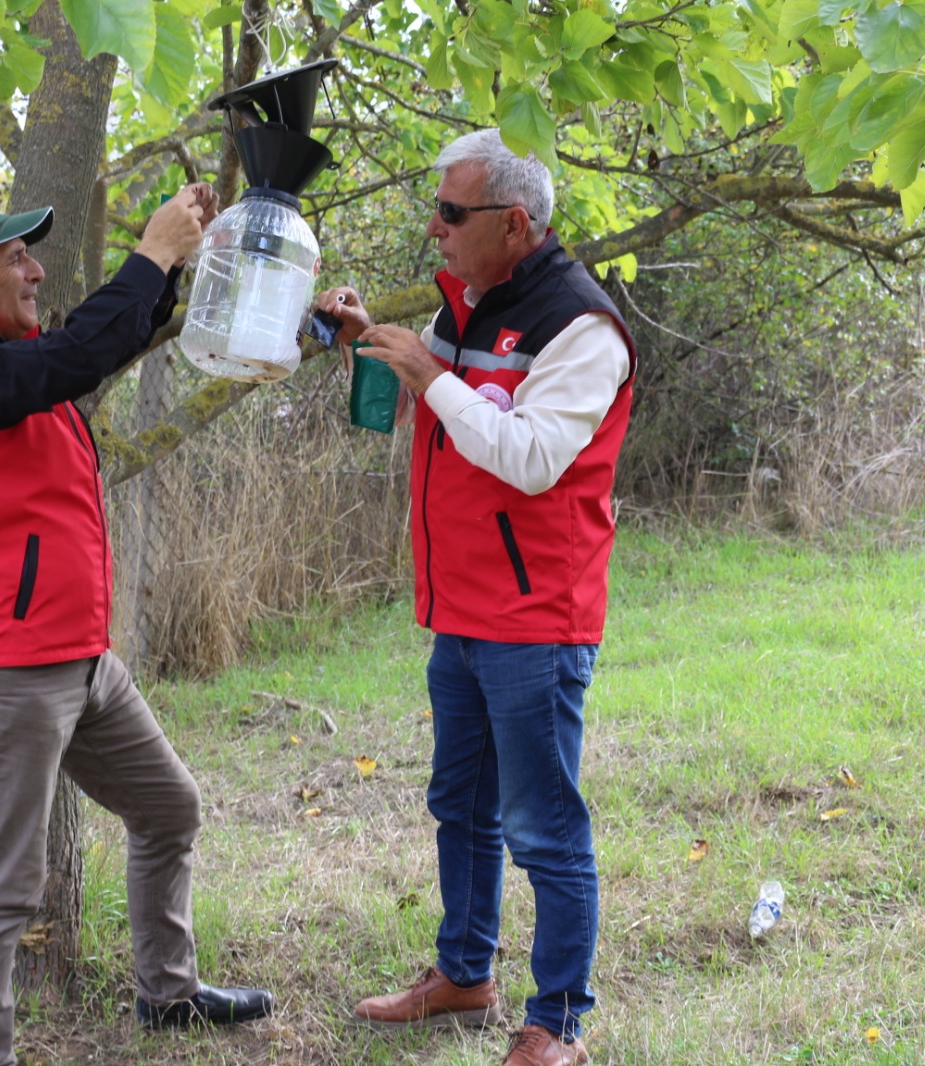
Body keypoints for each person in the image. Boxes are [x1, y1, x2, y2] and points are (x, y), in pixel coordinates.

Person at [0, 186, 273, 1066]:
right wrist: (150, 253)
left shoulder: (16, 356)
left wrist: (171, 268)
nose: (36, 271)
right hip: (6, 671)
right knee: (3, 888)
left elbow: (102, 344)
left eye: (31, 255)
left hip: (81, 662)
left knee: (168, 807)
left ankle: (167, 995)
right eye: (15, 260)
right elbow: (75, 357)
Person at [317, 129, 636, 1066]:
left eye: (451, 213)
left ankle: (558, 1024)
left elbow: (531, 458)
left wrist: (433, 375)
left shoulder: (582, 329)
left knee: (543, 826)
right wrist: (371, 341)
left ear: (514, 223)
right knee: (459, 803)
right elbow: (442, 406)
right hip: (459, 606)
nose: (435, 229)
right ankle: (464, 975)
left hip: (535, 617)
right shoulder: (469, 302)